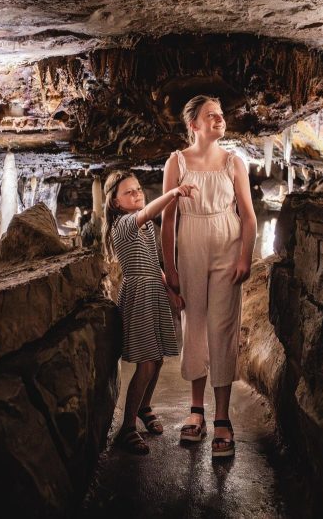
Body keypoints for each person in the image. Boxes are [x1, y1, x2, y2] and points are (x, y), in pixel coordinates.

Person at [161, 95, 257, 459]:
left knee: (223, 327)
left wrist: (245, 256)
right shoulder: (177, 162)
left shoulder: (234, 163)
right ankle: (196, 410)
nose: (220, 120)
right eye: (211, 115)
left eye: (221, 114)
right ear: (194, 125)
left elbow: (248, 215)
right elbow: (169, 218)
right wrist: (169, 267)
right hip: (191, 244)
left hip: (227, 244)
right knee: (195, 324)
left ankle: (222, 417)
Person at [103, 169, 197, 454]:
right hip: (138, 295)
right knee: (145, 362)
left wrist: (170, 291)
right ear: (116, 203)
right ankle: (127, 427)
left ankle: (144, 407)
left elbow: (156, 265)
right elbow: (146, 213)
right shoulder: (124, 224)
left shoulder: (146, 229)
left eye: (138, 189)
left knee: (156, 361)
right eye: (128, 192)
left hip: (154, 293)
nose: (137, 194)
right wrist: (173, 193)